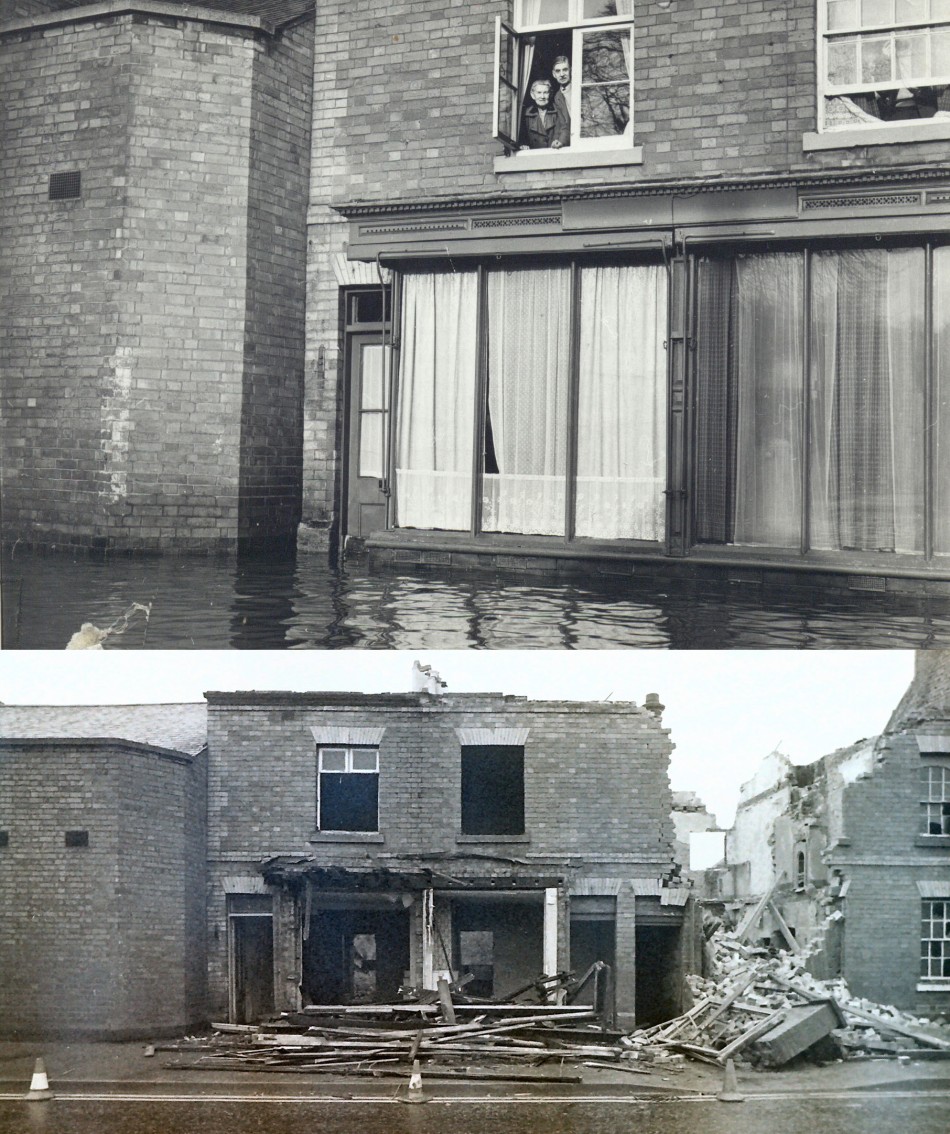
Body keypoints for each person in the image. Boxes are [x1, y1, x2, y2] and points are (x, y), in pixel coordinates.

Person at [520, 79, 569, 150]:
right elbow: (521, 134)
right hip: (533, 155)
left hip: (554, 152)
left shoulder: (557, 110)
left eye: (545, 92)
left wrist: (561, 141)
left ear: (550, 94)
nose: (542, 96)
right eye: (539, 93)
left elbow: (565, 128)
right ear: (533, 95)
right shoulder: (526, 114)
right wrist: (523, 144)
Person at [551, 56, 572, 128]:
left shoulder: (579, 88)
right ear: (554, 74)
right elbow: (564, 124)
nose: (562, 74)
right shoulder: (557, 97)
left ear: (570, 70)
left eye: (565, 70)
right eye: (558, 71)